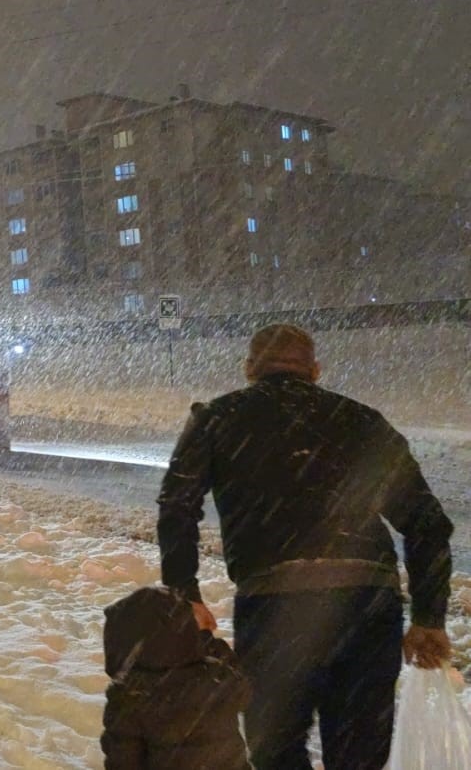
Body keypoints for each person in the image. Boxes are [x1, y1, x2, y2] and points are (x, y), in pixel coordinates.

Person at [158, 323, 454, 770]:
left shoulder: (217, 419)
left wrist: (185, 592)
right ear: (315, 370)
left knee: (275, 748)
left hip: (275, 608)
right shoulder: (361, 421)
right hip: (367, 607)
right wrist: (428, 618)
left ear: (249, 369)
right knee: (358, 753)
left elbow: (177, 506)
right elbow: (428, 523)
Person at [101, 585, 251, 769]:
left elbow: (123, 761)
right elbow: (243, 694)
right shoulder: (215, 676)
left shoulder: (129, 695)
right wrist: (203, 637)